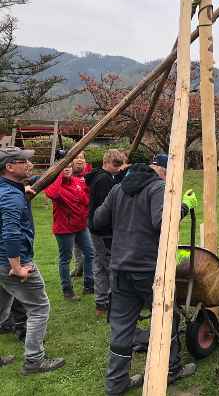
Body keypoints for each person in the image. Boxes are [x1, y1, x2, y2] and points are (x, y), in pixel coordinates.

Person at [93, 154, 193, 395]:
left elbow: (97, 221)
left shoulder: (118, 189)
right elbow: (163, 222)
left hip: (119, 268)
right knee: (167, 319)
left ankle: (116, 384)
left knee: (122, 326)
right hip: (149, 270)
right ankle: (172, 369)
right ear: (162, 170)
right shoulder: (158, 188)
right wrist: (184, 207)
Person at [0, 147, 65, 374]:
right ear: (9, 167)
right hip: (12, 263)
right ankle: (34, 361)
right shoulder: (10, 196)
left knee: (1, 309)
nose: (29, 164)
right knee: (39, 308)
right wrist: (17, 267)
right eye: (24, 161)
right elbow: (11, 233)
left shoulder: (8, 189)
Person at [44, 160, 94, 301]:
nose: (66, 169)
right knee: (65, 259)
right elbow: (52, 195)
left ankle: (89, 285)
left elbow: (86, 200)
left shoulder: (77, 182)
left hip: (80, 226)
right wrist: (58, 176)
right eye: (63, 167)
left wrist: (83, 213)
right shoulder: (55, 185)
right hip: (64, 229)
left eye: (68, 167)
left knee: (90, 253)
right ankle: (67, 291)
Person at [85, 149, 127, 316]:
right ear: (107, 162)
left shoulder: (102, 176)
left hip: (98, 229)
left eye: (120, 165)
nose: (118, 168)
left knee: (100, 264)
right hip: (103, 231)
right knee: (108, 267)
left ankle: (102, 302)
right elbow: (105, 209)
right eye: (116, 165)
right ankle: (107, 302)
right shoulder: (103, 180)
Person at [69, 152, 92, 278]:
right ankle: (78, 268)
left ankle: (89, 273)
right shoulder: (68, 175)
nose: (79, 160)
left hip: (87, 215)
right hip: (72, 216)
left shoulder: (89, 176)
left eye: (82, 158)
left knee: (89, 246)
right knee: (75, 244)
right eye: (76, 158)